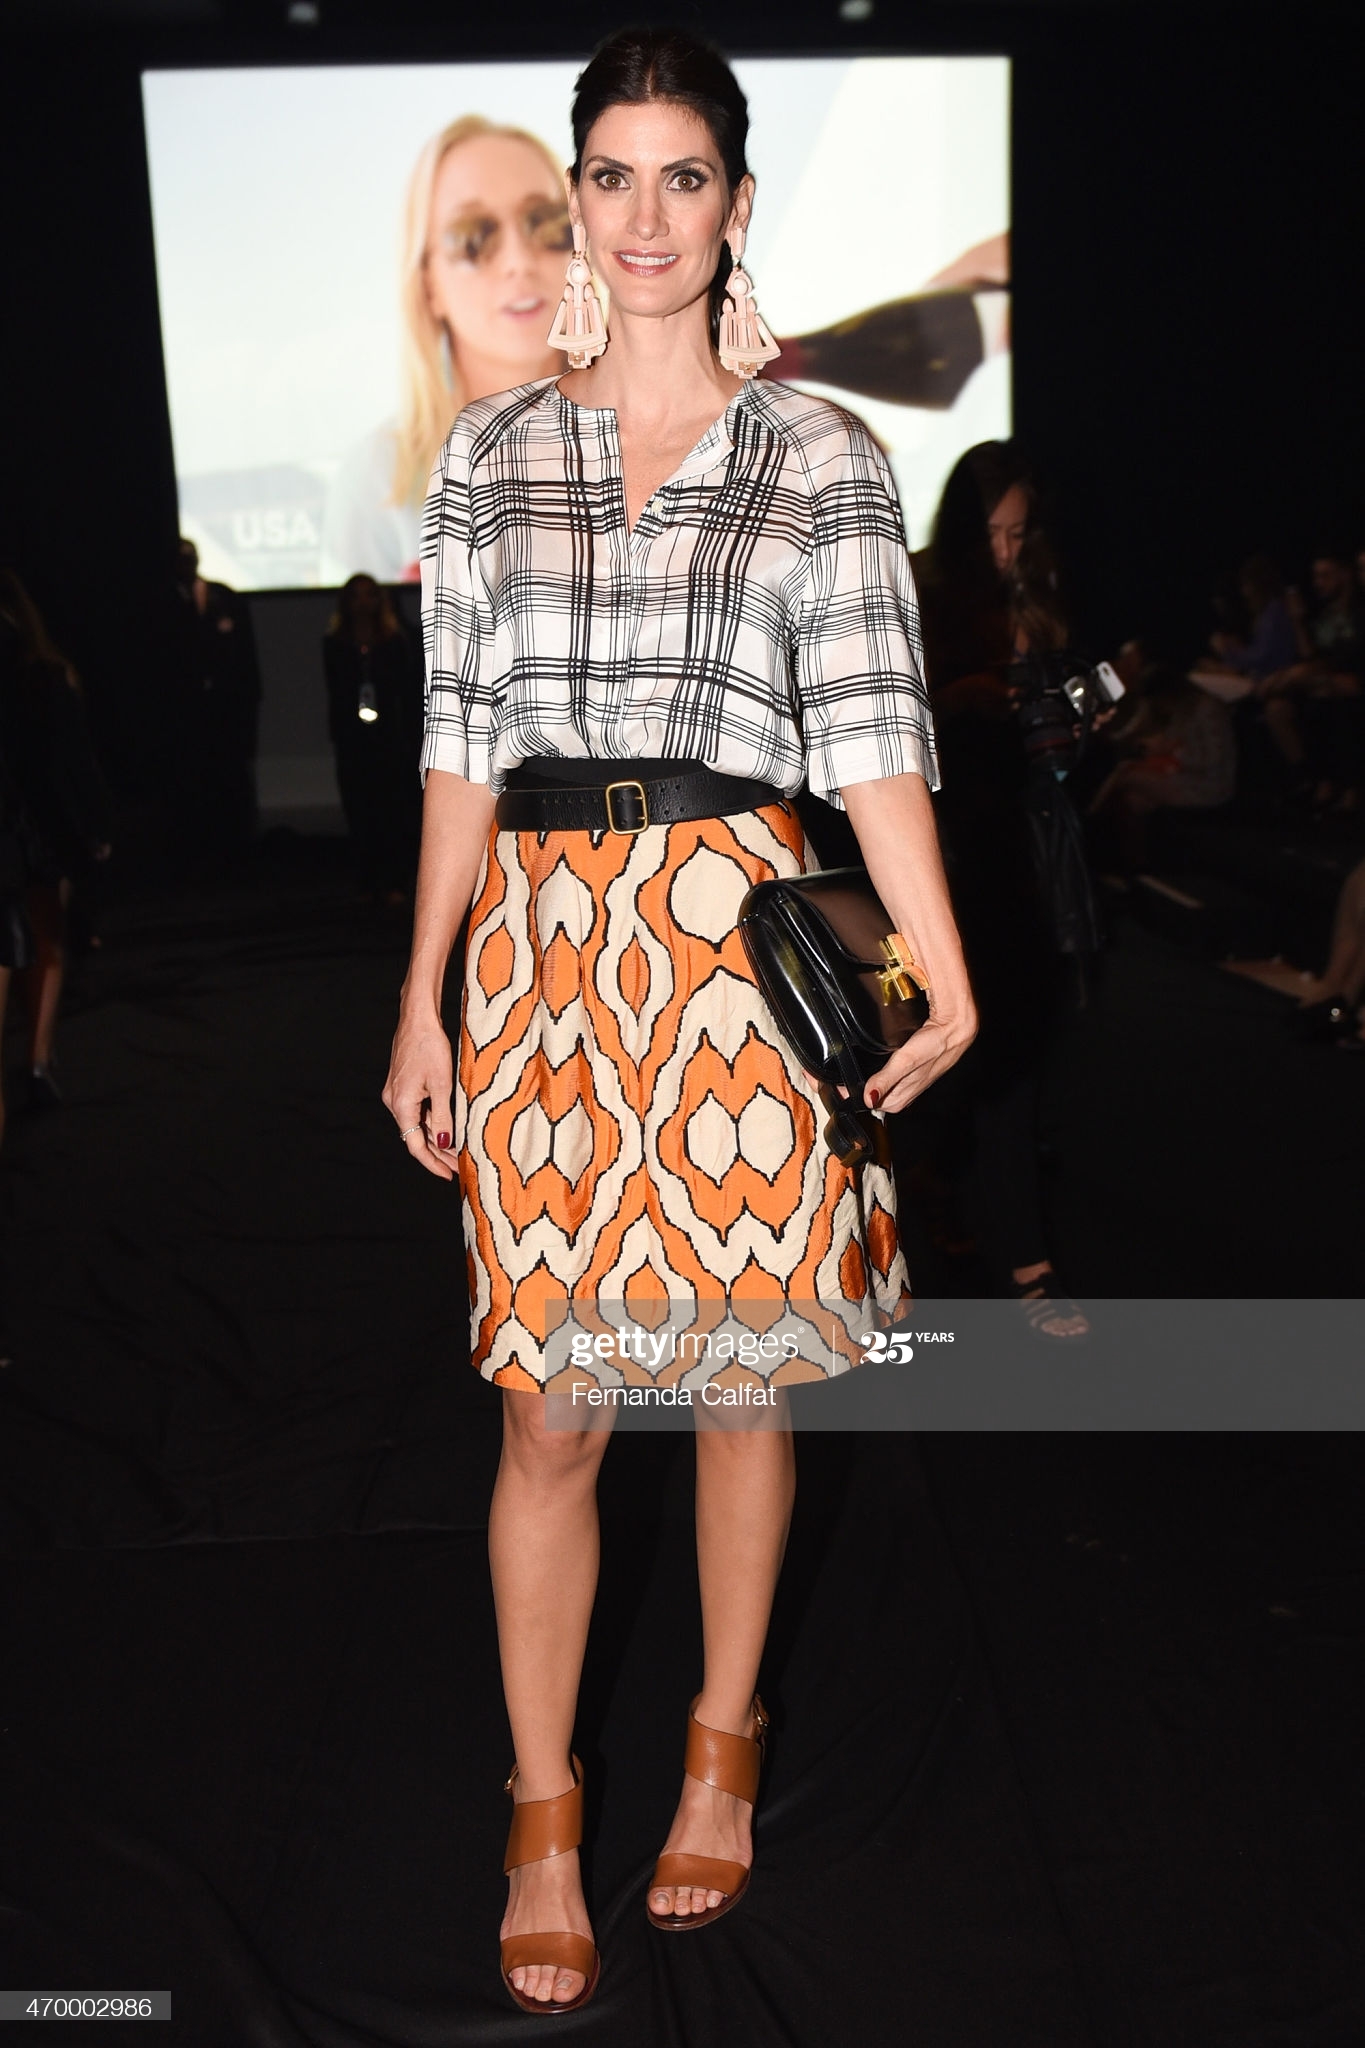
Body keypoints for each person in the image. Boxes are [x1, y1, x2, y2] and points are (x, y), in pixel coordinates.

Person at [382, 28, 976, 2016]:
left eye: (684, 175)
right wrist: (420, 996)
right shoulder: (490, 454)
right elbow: (458, 749)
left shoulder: (822, 454)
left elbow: (874, 732)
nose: (645, 216)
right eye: (613, 176)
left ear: (735, 201)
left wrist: (939, 954)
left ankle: (722, 1744)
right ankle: (542, 1806)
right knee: (551, 1407)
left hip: (739, 942)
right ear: (581, 197)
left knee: (735, 1381)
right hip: (542, 952)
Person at [912, 443, 1095, 1338]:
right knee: (947, 1062)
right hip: (940, 854)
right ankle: (943, 1213)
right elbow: (882, 727)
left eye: (1019, 533)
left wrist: (1076, 718)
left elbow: (1057, 748)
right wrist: (963, 696)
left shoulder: (1039, 599)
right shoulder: (919, 590)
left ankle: (1021, 1255)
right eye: (992, 532)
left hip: (1025, 853)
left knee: (1016, 1060)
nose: (1005, 549)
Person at [321, 118, 572, 585]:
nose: (519, 261)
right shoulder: (376, 483)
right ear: (428, 284)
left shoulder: (675, 438)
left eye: (547, 223)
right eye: (472, 238)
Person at [0, 572, 113, 1124]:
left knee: (30, 941)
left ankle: (36, 1058)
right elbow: (76, 760)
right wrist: (95, 826)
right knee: (45, 940)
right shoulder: (47, 676)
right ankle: (38, 1059)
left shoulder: (43, 677)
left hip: (24, 825)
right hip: (41, 824)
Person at [322, 575, 422, 900]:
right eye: (356, 596)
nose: (363, 603)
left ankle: (395, 878)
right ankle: (368, 878)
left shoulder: (396, 641)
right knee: (358, 805)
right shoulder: (336, 642)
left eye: (369, 595)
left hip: (390, 736)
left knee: (393, 807)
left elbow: (405, 691)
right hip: (352, 738)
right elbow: (337, 691)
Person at [169, 539, 261, 873]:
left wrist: (249, 706)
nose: (186, 564)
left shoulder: (225, 597)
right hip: (186, 716)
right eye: (179, 559)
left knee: (233, 781)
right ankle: (198, 855)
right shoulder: (161, 604)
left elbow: (246, 659)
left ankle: (238, 851)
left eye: (190, 557)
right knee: (194, 784)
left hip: (228, 713)